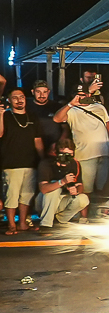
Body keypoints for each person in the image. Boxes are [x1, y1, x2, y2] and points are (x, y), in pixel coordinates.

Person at [52, 78, 109, 200]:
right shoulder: (71, 110)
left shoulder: (99, 107)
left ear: (89, 94)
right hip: (85, 155)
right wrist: (71, 104)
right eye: (79, 94)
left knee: (104, 188)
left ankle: (101, 210)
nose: (82, 97)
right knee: (86, 189)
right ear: (74, 96)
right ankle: (84, 211)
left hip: (104, 153)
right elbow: (57, 119)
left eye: (84, 94)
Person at [0, 89, 45, 234]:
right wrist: (0, 115)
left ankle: (23, 223)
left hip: (30, 162)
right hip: (11, 163)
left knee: (27, 195)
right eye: (15, 98)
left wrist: (42, 159)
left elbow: (37, 140)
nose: (19, 100)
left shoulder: (32, 116)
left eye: (22, 97)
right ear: (9, 100)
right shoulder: (6, 115)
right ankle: (11, 225)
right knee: (11, 195)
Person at [36, 138, 89, 230]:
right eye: (64, 155)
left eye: (70, 155)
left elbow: (79, 185)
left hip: (62, 201)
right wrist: (62, 182)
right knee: (54, 187)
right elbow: (43, 189)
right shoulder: (46, 164)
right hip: (44, 202)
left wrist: (75, 191)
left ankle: (60, 220)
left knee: (83, 199)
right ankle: (46, 224)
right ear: (56, 153)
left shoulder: (74, 163)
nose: (66, 158)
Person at [28, 80, 66, 154]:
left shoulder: (57, 107)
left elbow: (65, 128)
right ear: (33, 92)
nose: (42, 95)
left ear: (48, 92)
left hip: (53, 147)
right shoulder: (26, 106)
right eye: (38, 92)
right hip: (31, 147)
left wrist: (59, 144)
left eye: (44, 92)